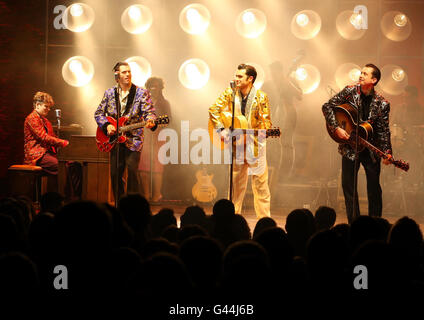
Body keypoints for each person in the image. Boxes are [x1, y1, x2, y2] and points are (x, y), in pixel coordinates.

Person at [322, 64, 392, 224]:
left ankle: (375, 224)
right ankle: (354, 224)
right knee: (348, 187)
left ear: (374, 80)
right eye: (361, 72)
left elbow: (384, 130)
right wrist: (336, 127)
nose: (361, 75)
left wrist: (387, 151)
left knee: (374, 188)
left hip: (371, 149)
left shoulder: (382, 103)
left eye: (365, 74)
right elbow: (327, 107)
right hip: (350, 146)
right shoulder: (349, 91)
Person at [209, 64, 272, 218]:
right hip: (237, 144)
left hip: (255, 145)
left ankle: (264, 220)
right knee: (236, 185)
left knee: (260, 185)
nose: (235, 79)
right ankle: (232, 217)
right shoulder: (230, 93)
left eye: (239, 76)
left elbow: (266, 122)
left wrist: (264, 131)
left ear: (250, 79)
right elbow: (214, 109)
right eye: (235, 76)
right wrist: (221, 129)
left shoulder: (261, 97)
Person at [94, 62, 157, 201]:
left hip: (133, 139)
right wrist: (106, 126)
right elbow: (98, 113)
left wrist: (151, 120)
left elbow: (150, 112)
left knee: (132, 170)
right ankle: (120, 202)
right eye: (124, 72)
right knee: (115, 173)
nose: (128, 74)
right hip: (114, 139)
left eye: (129, 71)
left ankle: (133, 203)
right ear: (117, 75)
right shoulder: (110, 93)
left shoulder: (141, 93)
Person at [24, 91, 69, 191]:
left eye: (49, 107)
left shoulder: (46, 121)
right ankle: (59, 197)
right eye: (46, 106)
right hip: (37, 155)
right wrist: (64, 143)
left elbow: (52, 137)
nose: (48, 109)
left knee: (72, 164)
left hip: (47, 154)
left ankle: (72, 197)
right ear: (37, 105)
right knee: (61, 167)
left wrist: (67, 146)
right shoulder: (32, 118)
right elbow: (43, 137)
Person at [138, 77, 171, 202]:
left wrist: (156, 124)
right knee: (143, 168)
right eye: (151, 86)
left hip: (159, 137)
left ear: (161, 88)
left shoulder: (165, 103)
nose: (153, 88)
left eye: (156, 86)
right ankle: (146, 195)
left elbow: (168, 120)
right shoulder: (142, 102)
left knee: (157, 168)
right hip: (143, 137)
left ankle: (157, 194)